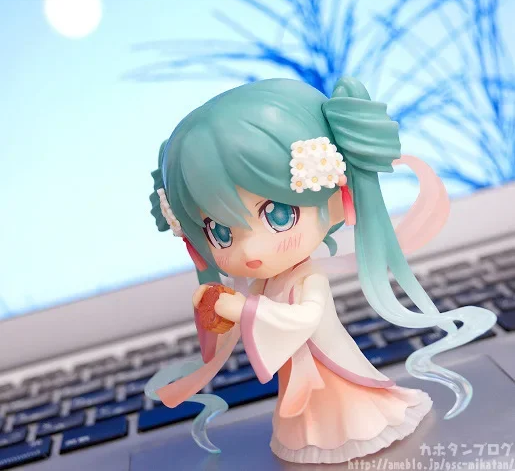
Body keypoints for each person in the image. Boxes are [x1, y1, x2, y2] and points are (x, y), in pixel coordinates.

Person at [145, 77, 496, 464]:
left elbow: (304, 319)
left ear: (334, 195)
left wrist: (241, 309)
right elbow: (255, 321)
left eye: (278, 215)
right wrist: (217, 312)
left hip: (329, 370)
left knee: (347, 413)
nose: (251, 250)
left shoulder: (308, 278)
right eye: (220, 233)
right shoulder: (263, 284)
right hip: (299, 378)